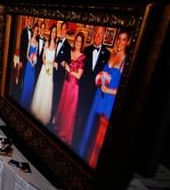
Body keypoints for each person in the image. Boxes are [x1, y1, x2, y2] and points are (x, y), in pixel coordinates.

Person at [78, 30, 131, 167]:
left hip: (109, 100)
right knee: (91, 126)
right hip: (98, 97)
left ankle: (93, 164)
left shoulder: (126, 61)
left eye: (123, 39)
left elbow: (125, 90)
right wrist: (100, 77)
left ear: (128, 42)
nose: (119, 42)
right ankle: (82, 157)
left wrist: (109, 90)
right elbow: (102, 76)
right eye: (119, 38)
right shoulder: (111, 55)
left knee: (100, 135)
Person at [74, 25, 110, 150]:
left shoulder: (107, 54)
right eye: (97, 34)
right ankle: (74, 139)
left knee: (90, 118)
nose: (98, 36)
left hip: (96, 94)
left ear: (104, 36)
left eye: (101, 34)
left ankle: (83, 143)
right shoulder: (87, 50)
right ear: (93, 34)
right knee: (78, 114)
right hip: (83, 89)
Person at [53, 32, 86, 145]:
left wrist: (69, 70)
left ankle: (65, 134)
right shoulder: (70, 52)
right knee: (62, 106)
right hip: (65, 84)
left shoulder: (83, 57)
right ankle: (58, 129)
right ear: (74, 41)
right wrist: (63, 63)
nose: (77, 43)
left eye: (80, 41)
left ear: (82, 43)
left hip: (73, 87)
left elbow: (79, 76)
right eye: (76, 40)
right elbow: (63, 62)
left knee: (69, 111)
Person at [30, 24, 57, 124]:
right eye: (52, 31)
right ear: (50, 33)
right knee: (40, 89)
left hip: (51, 72)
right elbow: (43, 57)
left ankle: (44, 114)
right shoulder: (46, 43)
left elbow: (55, 59)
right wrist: (46, 64)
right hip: (44, 69)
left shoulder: (56, 45)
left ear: (56, 33)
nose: (53, 33)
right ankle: (36, 110)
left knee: (47, 91)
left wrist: (51, 66)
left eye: (55, 31)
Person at [52, 21, 72, 121]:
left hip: (59, 77)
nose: (63, 31)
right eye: (62, 28)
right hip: (50, 73)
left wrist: (57, 66)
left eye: (65, 29)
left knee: (55, 97)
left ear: (67, 30)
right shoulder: (55, 41)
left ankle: (52, 118)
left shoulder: (68, 47)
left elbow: (67, 64)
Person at [20, 22, 40, 109]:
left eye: (37, 30)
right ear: (33, 31)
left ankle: (28, 103)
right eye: (34, 30)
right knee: (27, 83)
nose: (35, 32)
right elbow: (27, 54)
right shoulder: (30, 41)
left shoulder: (37, 43)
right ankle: (23, 102)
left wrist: (35, 61)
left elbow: (37, 54)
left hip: (33, 66)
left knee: (31, 84)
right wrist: (30, 61)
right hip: (29, 65)